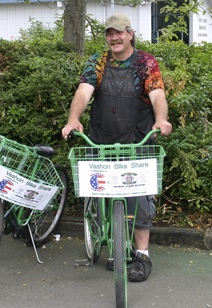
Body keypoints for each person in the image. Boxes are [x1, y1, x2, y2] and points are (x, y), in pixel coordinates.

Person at [61, 13, 172, 282]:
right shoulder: (98, 62)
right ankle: (113, 243)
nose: (114, 38)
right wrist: (73, 119)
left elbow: (158, 94)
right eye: (109, 34)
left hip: (138, 140)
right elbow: (84, 91)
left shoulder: (145, 63)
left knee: (141, 198)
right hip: (102, 138)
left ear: (130, 34)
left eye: (119, 33)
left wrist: (161, 119)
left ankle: (142, 255)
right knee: (103, 191)